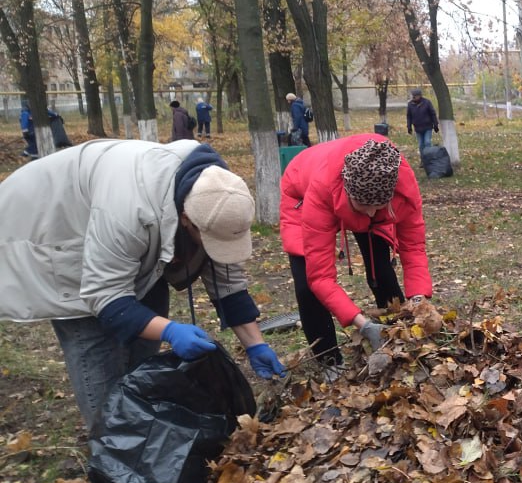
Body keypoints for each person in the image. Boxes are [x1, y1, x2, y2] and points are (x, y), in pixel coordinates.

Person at [0, 140, 286, 431]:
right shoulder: (128, 208)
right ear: (187, 219)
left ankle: (139, 425)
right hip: (53, 228)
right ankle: (109, 441)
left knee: (145, 335)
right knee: (94, 341)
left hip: (117, 231)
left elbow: (227, 281)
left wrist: (255, 344)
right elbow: (105, 297)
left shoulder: (218, 192)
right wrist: (170, 331)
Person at [279, 135, 432, 375]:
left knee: (381, 267)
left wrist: (419, 301)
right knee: (307, 285)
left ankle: (397, 334)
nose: (371, 213)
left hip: (359, 194)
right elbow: (320, 277)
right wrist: (361, 323)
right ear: (348, 192)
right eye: (363, 206)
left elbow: (413, 248)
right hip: (301, 190)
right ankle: (329, 359)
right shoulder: (320, 191)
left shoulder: (401, 186)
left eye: (377, 206)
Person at [406, 88, 439, 152]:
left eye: (414, 96)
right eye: (412, 96)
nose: (413, 97)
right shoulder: (410, 104)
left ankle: (429, 157)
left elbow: (433, 114)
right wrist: (409, 126)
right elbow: (409, 116)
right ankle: (423, 159)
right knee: (421, 144)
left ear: (419, 96)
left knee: (427, 142)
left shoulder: (427, 102)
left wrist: (435, 124)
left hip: (427, 127)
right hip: (418, 128)